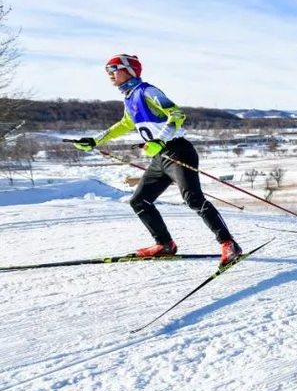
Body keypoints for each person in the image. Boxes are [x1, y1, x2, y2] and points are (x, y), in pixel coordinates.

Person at [71, 54, 242, 265]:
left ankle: (229, 244)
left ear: (129, 70)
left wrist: (160, 140)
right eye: (107, 71)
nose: (109, 75)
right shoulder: (129, 97)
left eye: (113, 69)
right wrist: (95, 141)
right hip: (160, 156)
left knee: (193, 199)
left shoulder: (148, 91)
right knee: (139, 201)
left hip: (178, 150)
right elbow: (125, 124)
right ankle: (165, 245)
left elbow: (177, 115)